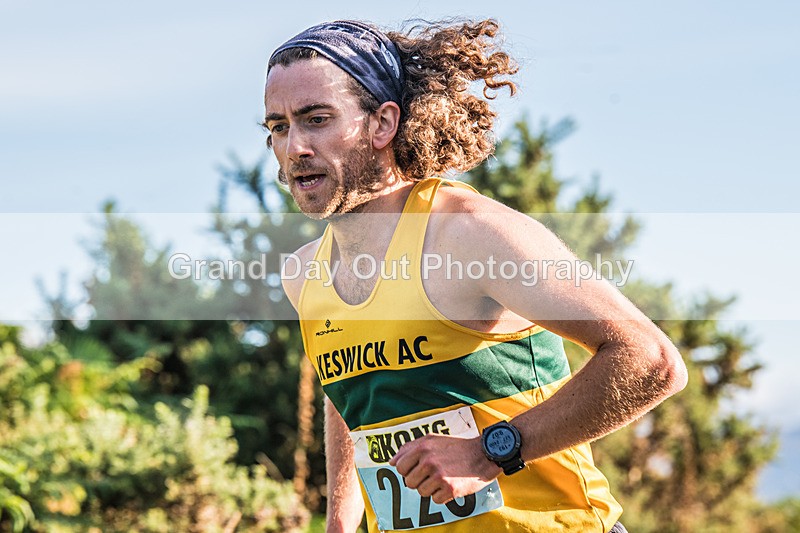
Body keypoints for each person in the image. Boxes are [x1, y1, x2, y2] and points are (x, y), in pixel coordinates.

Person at [265, 18, 687, 533]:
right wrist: (339, 524)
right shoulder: (303, 274)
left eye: (316, 119)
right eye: (279, 127)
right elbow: (351, 397)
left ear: (382, 123)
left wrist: (487, 453)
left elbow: (652, 360)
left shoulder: (469, 234)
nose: (294, 148)